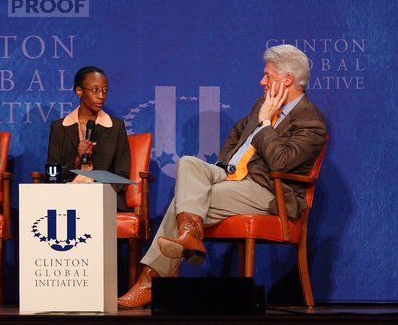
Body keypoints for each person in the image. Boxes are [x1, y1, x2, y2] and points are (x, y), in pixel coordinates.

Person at [118, 45, 328, 309]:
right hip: (232, 178)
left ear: (287, 80)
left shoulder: (310, 122)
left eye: (268, 76)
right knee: (188, 164)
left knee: (185, 201)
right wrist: (224, 165)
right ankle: (189, 236)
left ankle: (151, 278)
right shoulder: (262, 104)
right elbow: (238, 131)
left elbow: (281, 161)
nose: (262, 81)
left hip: (266, 191)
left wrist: (264, 124)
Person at [47, 66, 131, 211]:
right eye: (95, 90)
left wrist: (98, 192)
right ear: (79, 91)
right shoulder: (59, 127)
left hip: (103, 199)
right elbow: (52, 177)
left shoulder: (116, 127)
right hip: (66, 197)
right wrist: (77, 160)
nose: (101, 96)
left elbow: (121, 174)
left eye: (104, 90)